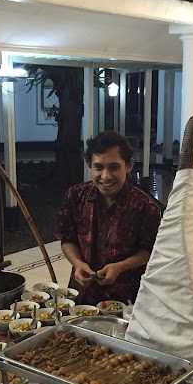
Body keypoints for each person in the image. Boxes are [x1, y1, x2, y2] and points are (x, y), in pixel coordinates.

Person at [55, 131, 161, 305]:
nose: (105, 176)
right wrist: (77, 263)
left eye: (114, 167)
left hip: (126, 299)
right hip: (82, 295)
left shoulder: (146, 206)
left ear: (128, 166)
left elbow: (150, 252)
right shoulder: (75, 196)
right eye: (98, 167)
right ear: (89, 165)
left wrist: (120, 267)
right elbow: (67, 239)